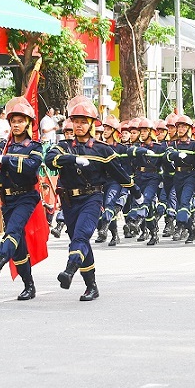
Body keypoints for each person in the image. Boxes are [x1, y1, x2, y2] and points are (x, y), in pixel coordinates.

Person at [45, 96, 141, 301]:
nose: (79, 125)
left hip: (92, 199)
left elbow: (119, 173)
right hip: (69, 201)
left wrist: (136, 191)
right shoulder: (64, 146)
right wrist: (72, 159)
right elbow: (50, 160)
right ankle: (91, 286)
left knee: (81, 236)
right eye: (76, 121)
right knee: (79, 241)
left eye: (83, 122)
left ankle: (69, 270)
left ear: (91, 125)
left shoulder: (102, 149)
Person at [0, 96, 43, 300]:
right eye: (13, 121)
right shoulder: (4, 144)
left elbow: (31, 167)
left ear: (28, 123)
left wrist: (6, 160)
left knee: (13, 231)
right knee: (18, 245)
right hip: (7, 199)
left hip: (26, 196)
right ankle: (29, 285)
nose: (16, 125)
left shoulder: (34, 146)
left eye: (20, 121)